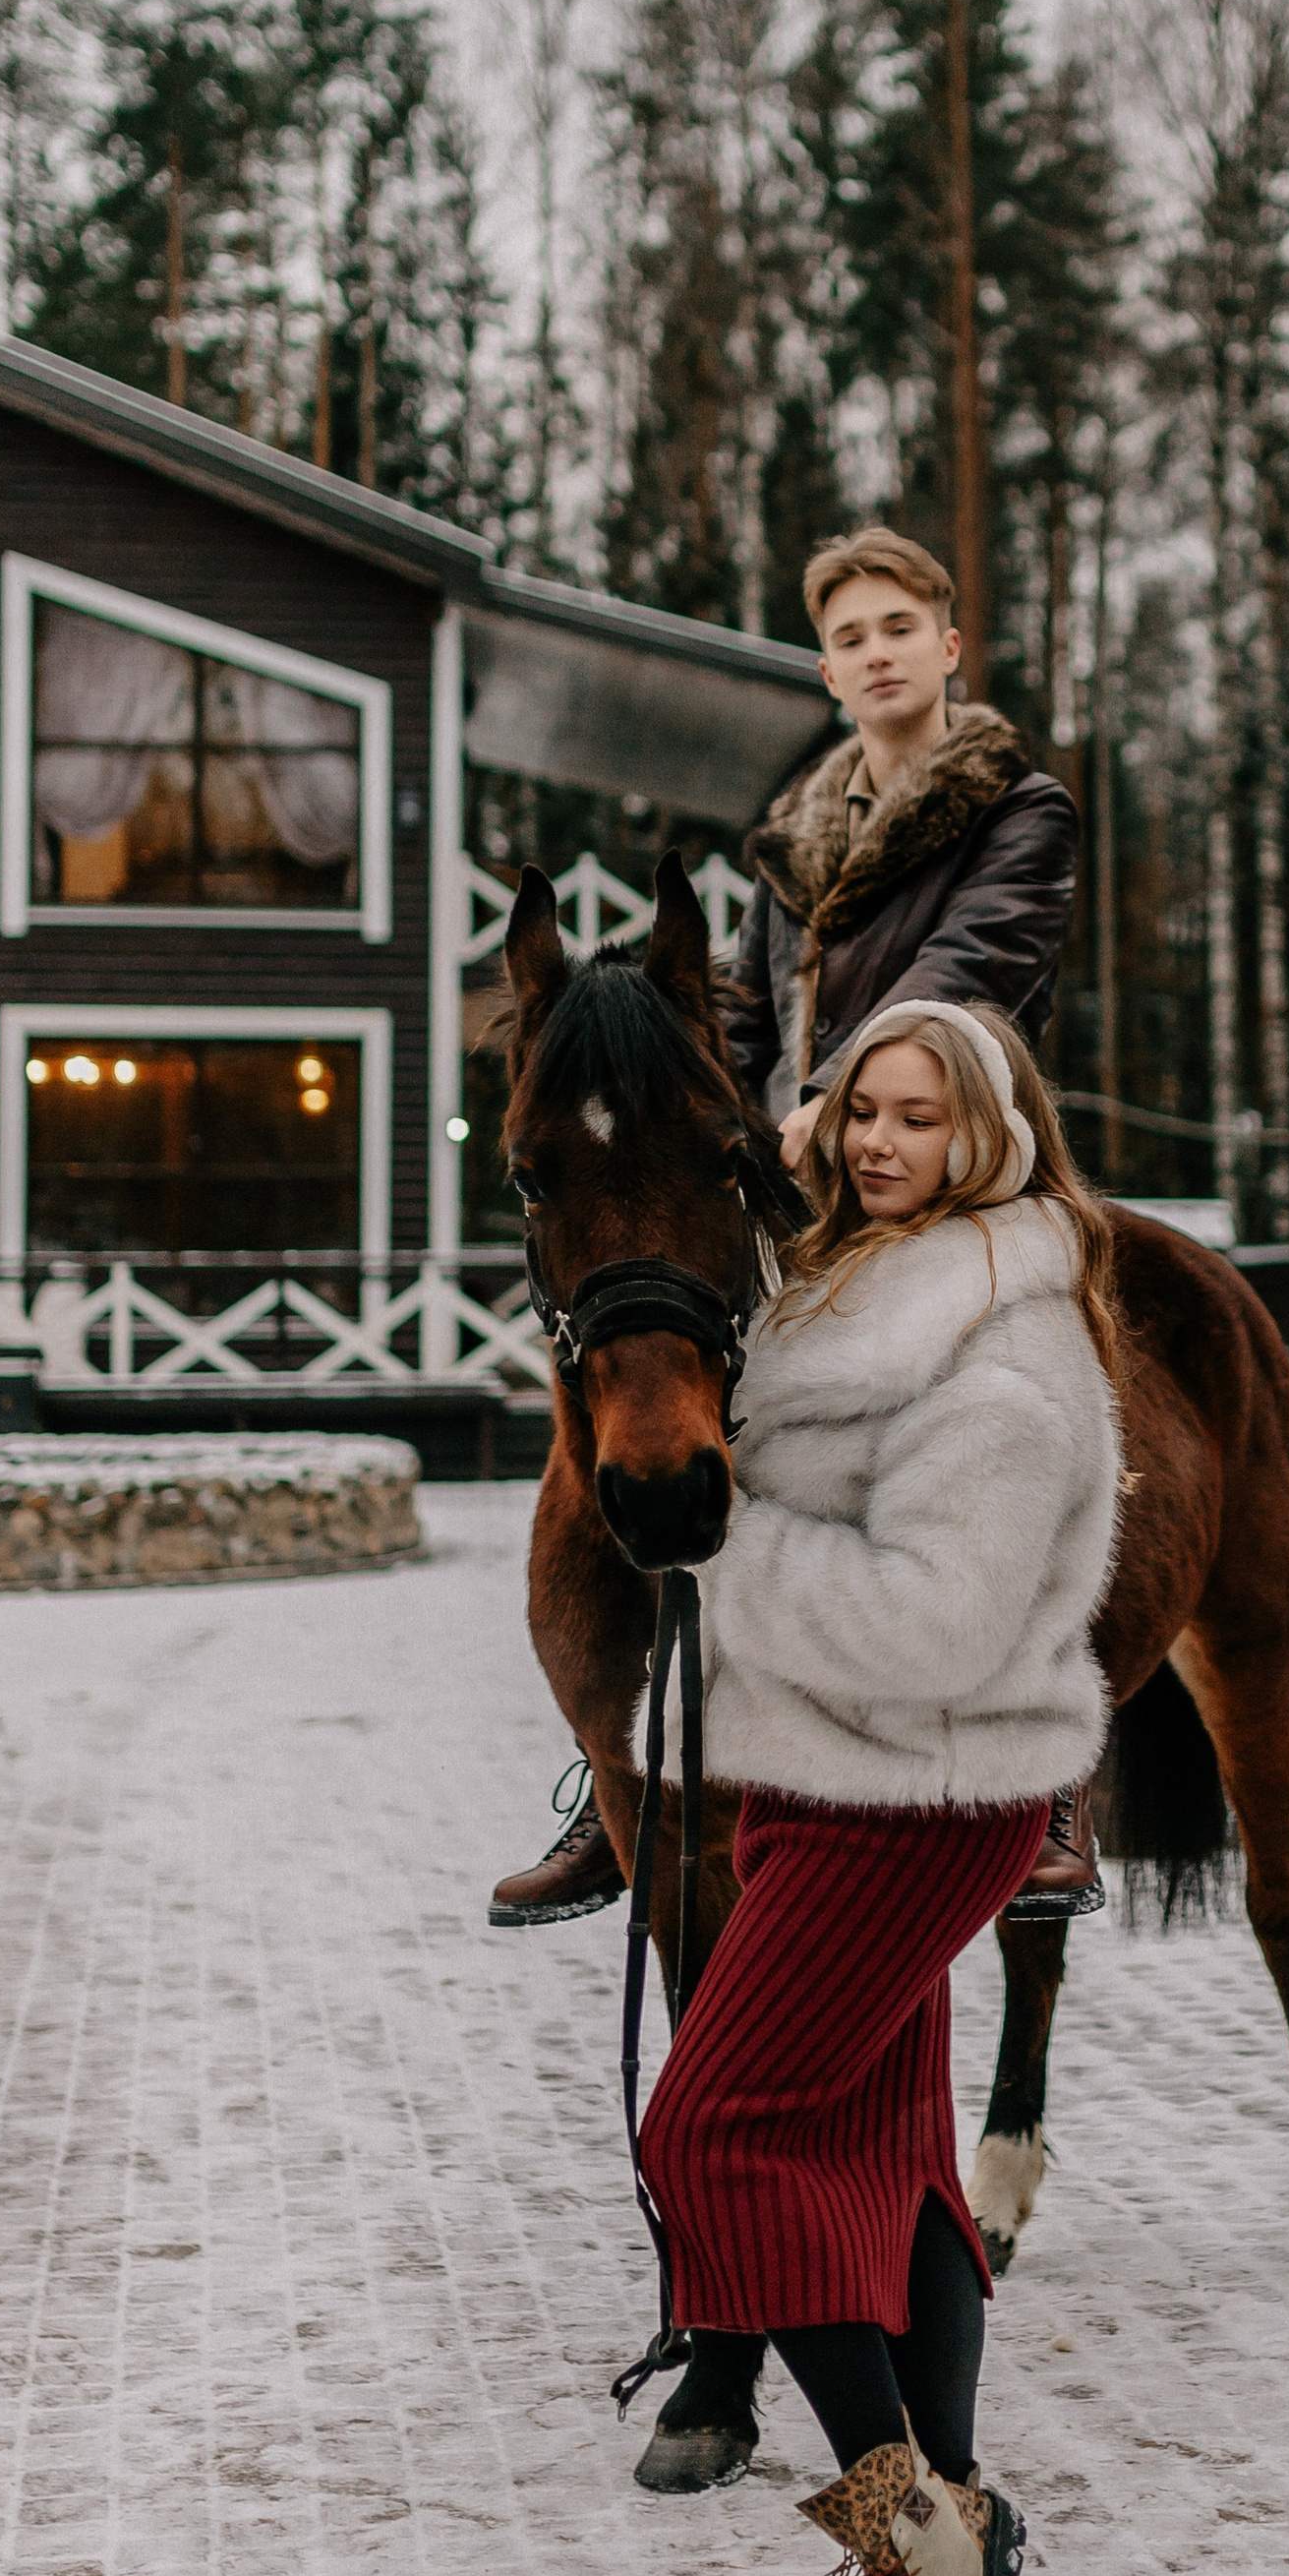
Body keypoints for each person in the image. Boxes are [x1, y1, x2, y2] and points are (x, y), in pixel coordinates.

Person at [635, 997, 1123, 2576]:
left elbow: (935, 1620)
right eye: (858, 1112)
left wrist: (725, 1555)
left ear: (986, 1137)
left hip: (920, 1787)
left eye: (920, 1119)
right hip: (820, 1774)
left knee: (713, 2127)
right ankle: (919, 2571)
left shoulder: (1000, 1352)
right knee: (876, 2148)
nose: (876, 1144)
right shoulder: (845, 1282)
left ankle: (926, 2543)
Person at [488, 526, 1099, 1930]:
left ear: (947, 647)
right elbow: (737, 1014)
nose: (877, 651)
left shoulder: (1021, 810)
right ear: (827, 671)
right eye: (851, 636)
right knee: (663, 1349)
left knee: (1036, 1377)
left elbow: (976, 966)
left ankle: (1046, 1765)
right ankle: (619, 1755)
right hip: (794, 1167)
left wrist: (836, 1096)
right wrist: (726, 1119)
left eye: (901, 626)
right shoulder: (788, 842)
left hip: (963, 1147)